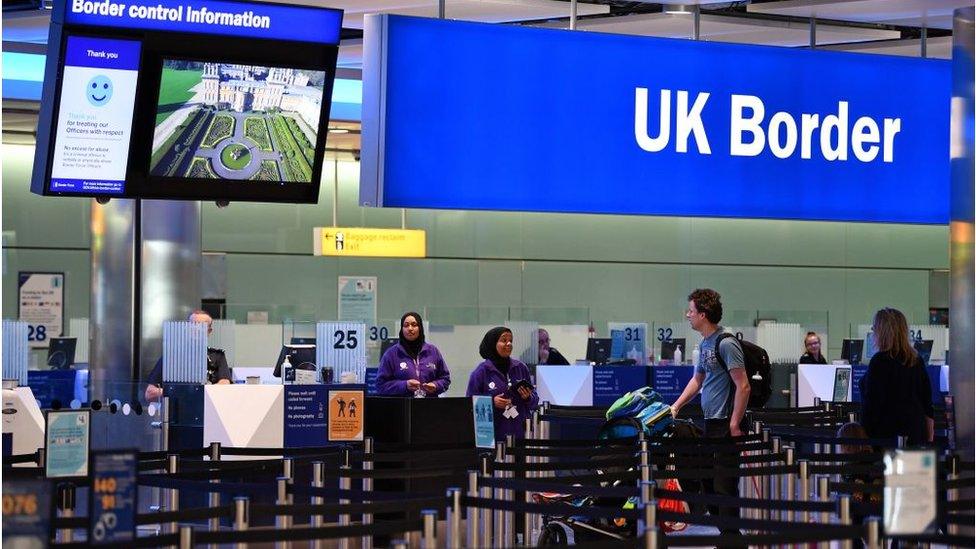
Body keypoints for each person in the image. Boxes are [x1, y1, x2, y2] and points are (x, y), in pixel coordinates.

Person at [669, 289, 749, 536]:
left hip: (726, 424)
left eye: (691, 311)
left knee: (725, 489)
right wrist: (676, 405)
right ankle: (729, 538)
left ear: (703, 314)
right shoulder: (705, 344)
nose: (688, 315)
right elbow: (698, 380)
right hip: (711, 424)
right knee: (709, 485)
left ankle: (731, 540)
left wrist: (735, 424)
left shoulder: (726, 343)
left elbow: (743, 385)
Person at [859, 307, 934, 446]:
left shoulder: (879, 361)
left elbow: (872, 406)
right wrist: (928, 436)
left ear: (882, 331)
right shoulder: (916, 360)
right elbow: (926, 400)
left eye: (874, 328)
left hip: (886, 435)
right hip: (915, 432)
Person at [467, 327, 539, 441]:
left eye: (511, 340)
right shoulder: (481, 372)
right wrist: (491, 402)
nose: (509, 343)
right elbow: (469, 404)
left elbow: (535, 400)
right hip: (492, 436)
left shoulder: (520, 368)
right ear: (492, 343)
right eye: (504, 340)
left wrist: (528, 397)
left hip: (520, 434)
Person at [144, 310, 232, 402]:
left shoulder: (217, 356)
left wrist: (199, 392)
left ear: (209, 331)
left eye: (201, 326)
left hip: (207, 410)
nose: (196, 329)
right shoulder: (171, 357)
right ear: (186, 328)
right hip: (177, 411)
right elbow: (149, 393)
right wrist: (179, 391)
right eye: (193, 324)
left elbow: (225, 384)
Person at [376, 312, 451, 397]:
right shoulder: (391, 354)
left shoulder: (433, 351)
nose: (410, 328)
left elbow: (445, 379)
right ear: (402, 329)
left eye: (414, 325)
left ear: (420, 328)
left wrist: (436, 385)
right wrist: (405, 385)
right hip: (401, 407)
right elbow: (380, 386)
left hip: (429, 407)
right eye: (406, 325)